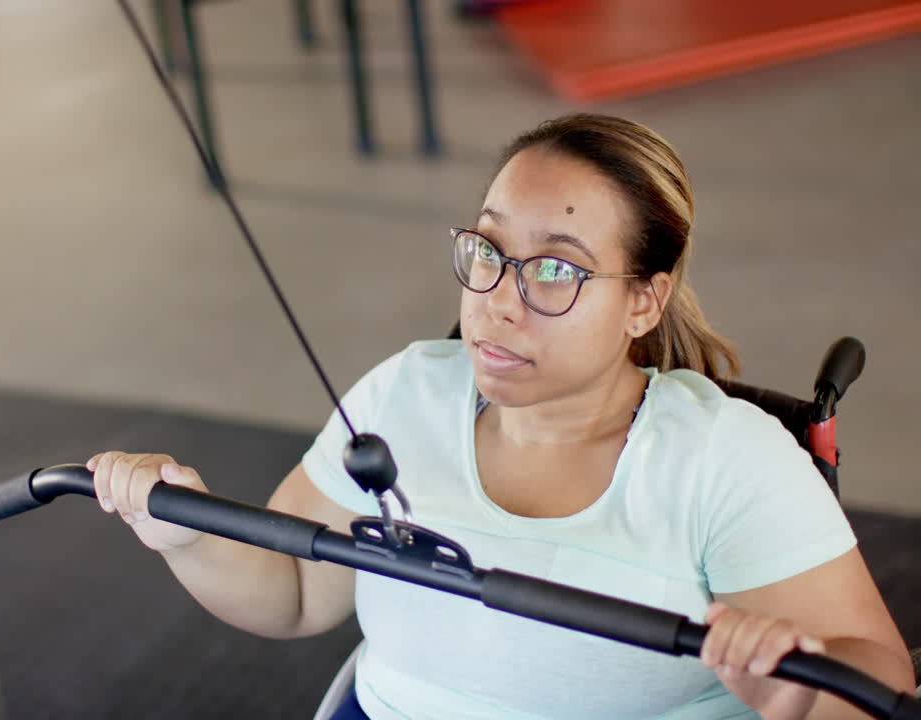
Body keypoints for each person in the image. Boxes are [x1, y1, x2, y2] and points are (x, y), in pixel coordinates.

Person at [87, 114, 913, 719]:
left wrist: (796, 700)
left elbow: (880, 680)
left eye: (555, 269)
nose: (497, 303)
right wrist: (185, 537)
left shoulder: (721, 459)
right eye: (488, 251)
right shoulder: (404, 395)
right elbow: (297, 591)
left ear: (642, 300)